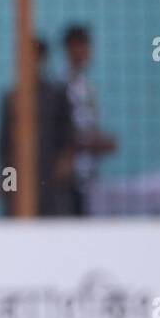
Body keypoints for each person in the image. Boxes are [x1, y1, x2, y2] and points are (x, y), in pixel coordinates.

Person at [0, 38, 76, 216]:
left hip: (49, 175)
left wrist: (64, 164)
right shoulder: (11, 97)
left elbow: (68, 136)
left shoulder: (56, 95)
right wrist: (5, 179)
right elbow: (4, 145)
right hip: (19, 174)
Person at [62, 24, 117, 215]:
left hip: (88, 176)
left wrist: (98, 140)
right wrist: (90, 143)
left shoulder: (86, 86)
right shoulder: (61, 86)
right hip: (68, 179)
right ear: (70, 48)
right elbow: (60, 135)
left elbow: (88, 126)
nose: (86, 52)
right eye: (81, 46)